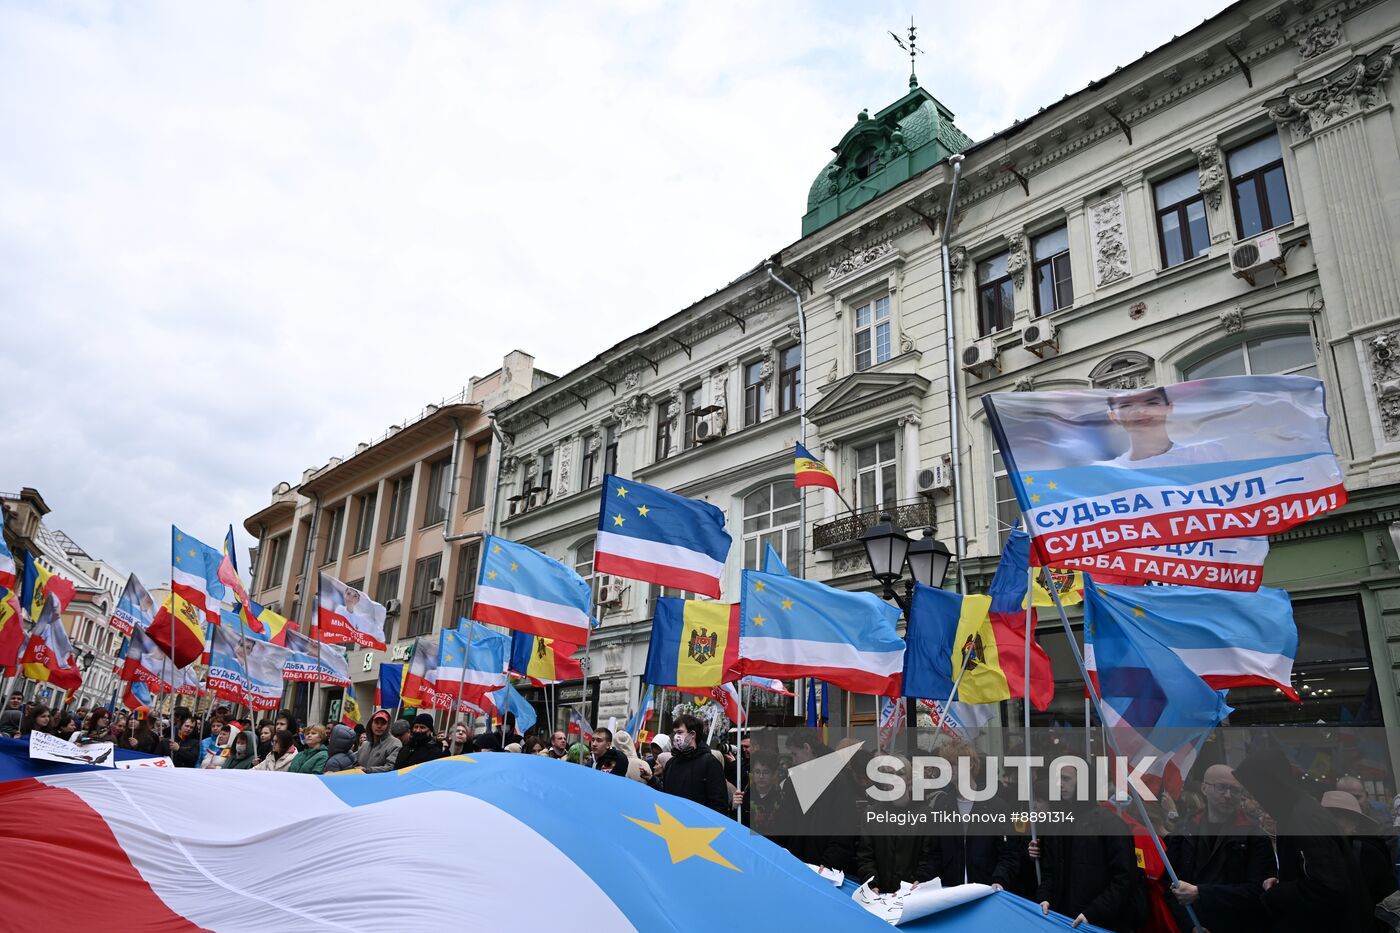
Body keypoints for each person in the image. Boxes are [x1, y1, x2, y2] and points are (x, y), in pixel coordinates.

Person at [1234, 749, 1366, 932]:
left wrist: (1277, 894)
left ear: (1268, 785)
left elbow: (1328, 886)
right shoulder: (1299, 812)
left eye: (1255, 790)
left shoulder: (1303, 818)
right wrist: (1286, 884)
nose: (1256, 799)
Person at [1164, 764, 1275, 933]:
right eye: (1221, 788)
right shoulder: (1185, 829)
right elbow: (1169, 884)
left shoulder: (1255, 836)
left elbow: (1259, 891)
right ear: (1204, 788)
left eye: (1235, 790)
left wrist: (1201, 892)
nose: (1228, 795)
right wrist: (1190, 926)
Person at [1034, 765, 1143, 932]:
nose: (1060, 784)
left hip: (1101, 923)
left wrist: (1092, 913)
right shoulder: (1057, 823)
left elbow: (1125, 878)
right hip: (1063, 920)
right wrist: (1044, 897)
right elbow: (1050, 871)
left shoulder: (1111, 824)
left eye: (1066, 779)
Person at [923, 742, 1022, 891]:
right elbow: (935, 854)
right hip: (951, 892)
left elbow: (1009, 854)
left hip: (986, 891)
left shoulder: (996, 807)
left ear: (969, 765)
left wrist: (999, 880)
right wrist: (923, 879)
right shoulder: (942, 805)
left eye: (952, 764)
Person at [771, 728, 857, 873]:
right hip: (795, 862)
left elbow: (844, 825)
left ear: (807, 748)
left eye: (794, 754)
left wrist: (830, 861)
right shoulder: (792, 782)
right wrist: (778, 852)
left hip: (825, 867)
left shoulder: (838, 780)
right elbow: (784, 822)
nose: (793, 760)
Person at [1097, 386, 1229, 469]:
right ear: (1113, 416)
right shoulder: (1112, 472)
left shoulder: (1206, 455)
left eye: (1152, 403)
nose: (1141, 411)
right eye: (1125, 405)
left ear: (1169, 407)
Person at [857, 756, 932, 894]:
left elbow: (927, 856)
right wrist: (871, 883)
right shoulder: (872, 814)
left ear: (909, 779)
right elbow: (865, 855)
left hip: (912, 895)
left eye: (900, 773)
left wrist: (915, 882)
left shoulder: (926, 814)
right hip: (879, 895)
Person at [1321, 790, 1398, 926]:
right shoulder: (1312, 851)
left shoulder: (1369, 853)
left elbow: (1387, 899)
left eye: (1339, 816)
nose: (1331, 821)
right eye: (1327, 815)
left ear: (1355, 823)